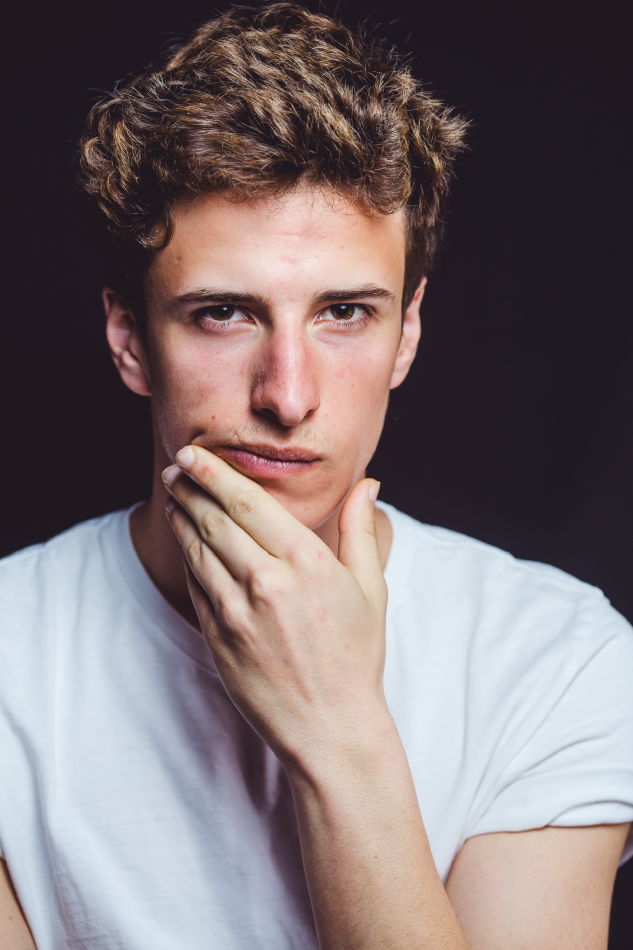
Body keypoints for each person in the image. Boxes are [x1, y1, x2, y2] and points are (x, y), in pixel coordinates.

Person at [1, 3, 632, 947]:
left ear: (405, 335)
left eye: (344, 313)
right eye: (223, 313)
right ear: (129, 337)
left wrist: (337, 733)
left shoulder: (554, 658)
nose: (287, 397)